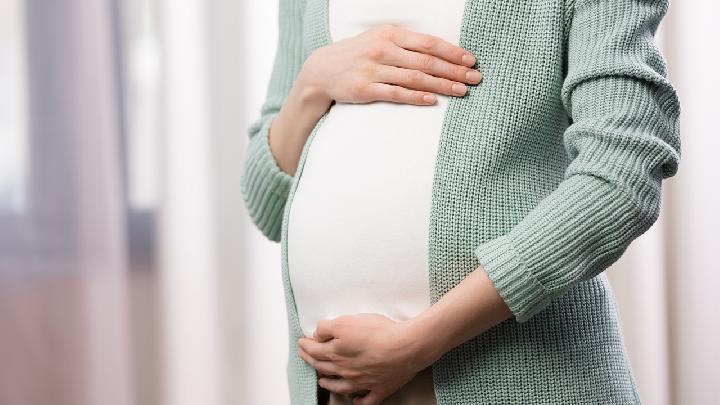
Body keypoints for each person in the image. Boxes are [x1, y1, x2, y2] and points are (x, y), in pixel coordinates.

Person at [240, 0, 681, 404]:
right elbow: (268, 208)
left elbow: (623, 174)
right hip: (336, 387)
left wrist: (419, 343)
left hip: (523, 377)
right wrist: (311, 85)